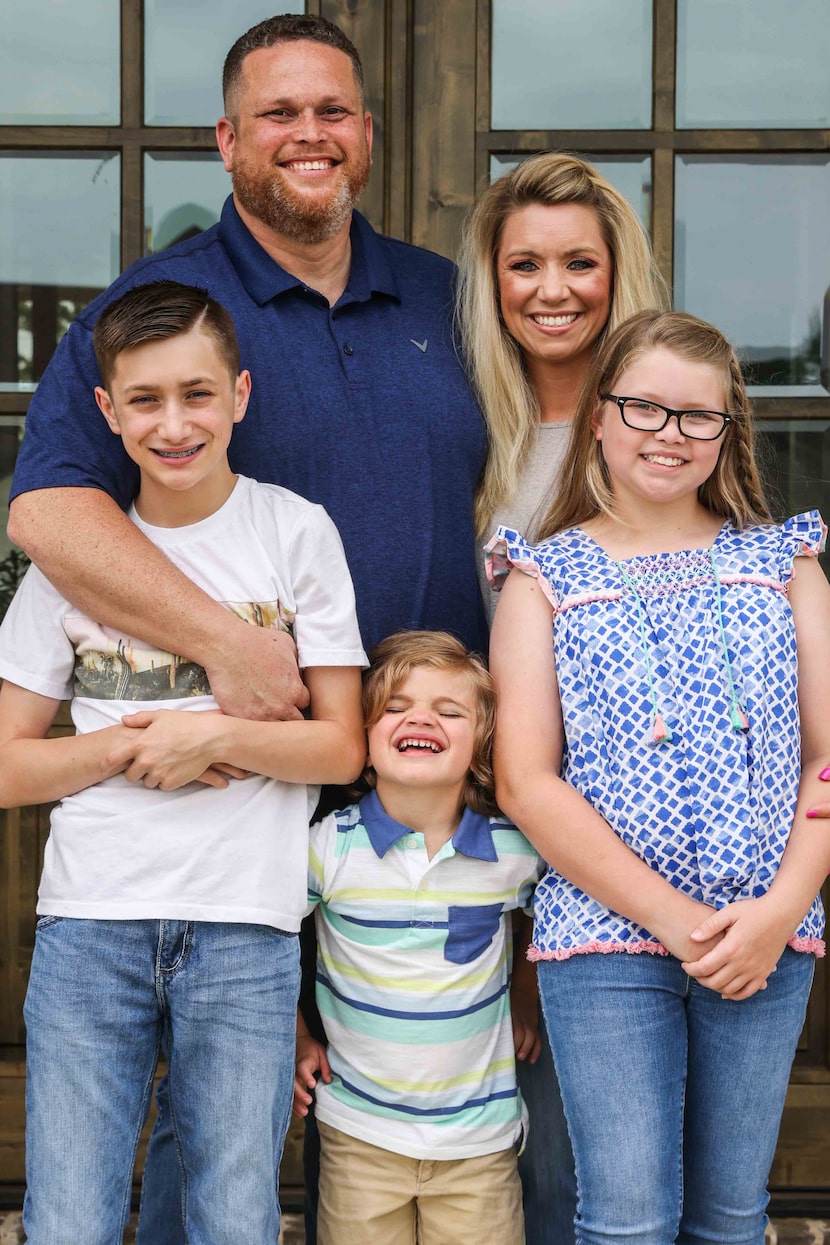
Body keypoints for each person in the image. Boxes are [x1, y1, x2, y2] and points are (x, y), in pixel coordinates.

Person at [8, 14, 486, 1240]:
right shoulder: (161, 312)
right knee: (213, 1131)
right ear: (226, 140)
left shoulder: (444, 297)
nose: (308, 135)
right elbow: (51, 512)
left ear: (368, 135)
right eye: (278, 113)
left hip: (415, 780)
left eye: (332, 111)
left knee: (409, 1099)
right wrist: (231, 655)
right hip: (225, 789)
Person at [0, 280, 368, 1245]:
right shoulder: (72, 564)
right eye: (147, 400)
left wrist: (217, 736)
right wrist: (125, 747)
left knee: (234, 1214)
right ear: (106, 412)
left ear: (240, 395)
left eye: (198, 394)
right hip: (92, 924)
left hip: (245, 928)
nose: (175, 423)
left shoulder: (296, 532)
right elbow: (6, 766)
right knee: (70, 1217)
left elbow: (340, 742)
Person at [488, 309, 830, 1244]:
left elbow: (825, 756)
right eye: (644, 407)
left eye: (697, 417)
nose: (669, 434)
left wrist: (781, 909)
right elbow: (526, 780)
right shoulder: (543, 578)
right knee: (629, 1216)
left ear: (728, 433)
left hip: (765, 937)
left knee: (730, 1215)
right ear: (599, 416)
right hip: (605, 939)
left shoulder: (782, 564)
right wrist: (673, 921)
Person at [456, 151, 668, 1242]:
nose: (552, 289)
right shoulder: (464, 432)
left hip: (622, 837)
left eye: (578, 263)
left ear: (614, 272)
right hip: (475, 818)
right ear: (490, 280)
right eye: (523, 264)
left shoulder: (658, 430)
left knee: (591, 1168)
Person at [292, 631, 543, 1245]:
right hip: (359, 1135)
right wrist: (295, 1033)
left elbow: (554, 918)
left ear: (481, 743)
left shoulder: (514, 851)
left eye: (449, 710)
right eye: (396, 707)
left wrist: (527, 995)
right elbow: (265, 939)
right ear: (365, 741)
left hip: (479, 1143)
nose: (421, 718)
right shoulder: (327, 848)